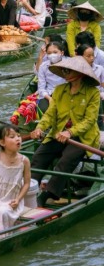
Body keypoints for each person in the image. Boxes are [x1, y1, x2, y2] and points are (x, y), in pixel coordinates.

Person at [30, 56, 101, 206]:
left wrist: (70, 132)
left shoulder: (92, 93)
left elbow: (89, 121)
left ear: (79, 73)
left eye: (68, 70)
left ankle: (48, 194)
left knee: (66, 160)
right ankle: (30, 188)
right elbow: (50, 114)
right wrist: (39, 128)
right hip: (58, 133)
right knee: (39, 156)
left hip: (82, 137)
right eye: (64, 70)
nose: (65, 72)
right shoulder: (60, 90)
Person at [36, 41, 67, 112]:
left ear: (62, 53)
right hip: (49, 94)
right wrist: (49, 99)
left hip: (66, 94)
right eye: (49, 53)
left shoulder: (69, 65)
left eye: (55, 52)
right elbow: (41, 88)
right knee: (44, 108)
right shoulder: (43, 66)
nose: (52, 55)